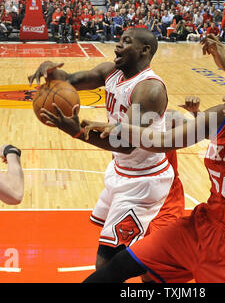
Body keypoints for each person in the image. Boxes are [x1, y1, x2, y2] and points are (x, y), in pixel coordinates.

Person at [78, 34, 225, 283]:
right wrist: (119, 128)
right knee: (117, 268)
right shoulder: (221, 117)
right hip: (200, 226)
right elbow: (162, 142)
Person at [28, 28, 186, 279]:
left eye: (126, 42)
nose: (117, 46)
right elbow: (68, 79)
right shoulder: (110, 71)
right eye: (119, 41)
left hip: (145, 181)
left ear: (144, 50)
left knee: (107, 265)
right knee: (140, 260)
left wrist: (78, 132)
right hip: (121, 171)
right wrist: (51, 71)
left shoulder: (149, 90)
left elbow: (127, 143)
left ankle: (172, 267)